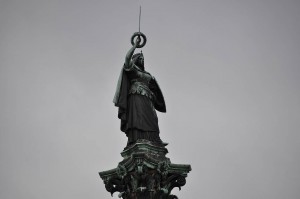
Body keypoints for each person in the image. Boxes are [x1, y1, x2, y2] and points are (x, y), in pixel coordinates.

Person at [113, 37, 166, 147]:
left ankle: (155, 140)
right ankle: (137, 139)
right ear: (136, 59)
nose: (142, 60)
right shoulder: (132, 69)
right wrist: (134, 46)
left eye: (143, 59)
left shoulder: (147, 74)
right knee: (138, 117)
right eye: (140, 58)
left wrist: (154, 95)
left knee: (153, 118)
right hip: (136, 96)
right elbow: (127, 58)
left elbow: (154, 88)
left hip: (148, 98)